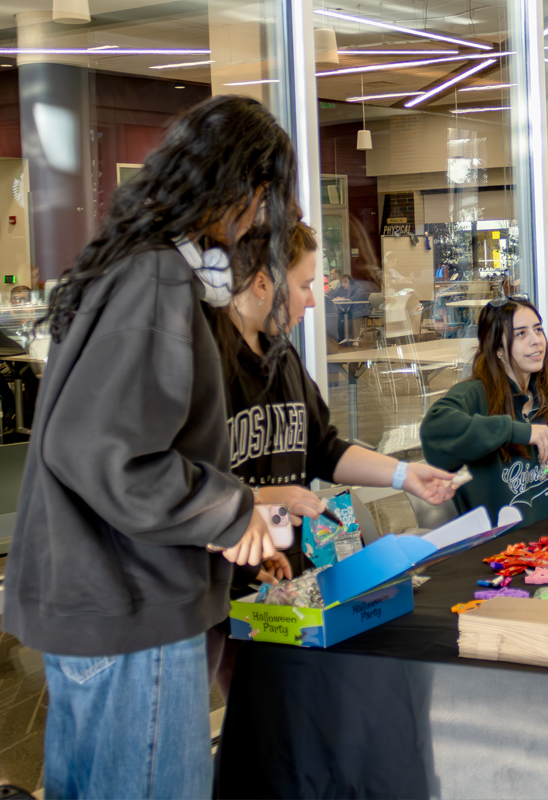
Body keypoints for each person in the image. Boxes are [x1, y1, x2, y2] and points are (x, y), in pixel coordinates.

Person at [1, 95, 297, 800]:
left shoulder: (133, 268)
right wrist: (229, 511)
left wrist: (229, 520)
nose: (257, 223)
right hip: (132, 606)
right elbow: (107, 453)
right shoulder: (156, 279)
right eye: (261, 203)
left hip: (103, 601)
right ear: (243, 190)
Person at [206, 221, 455, 695]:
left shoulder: (283, 358)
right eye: (303, 286)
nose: (313, 301)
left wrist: (404, 474)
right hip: (220, 588)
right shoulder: (207, 363)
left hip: (281, 574)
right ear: (263, 284)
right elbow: (186, 484)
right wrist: (264, 498)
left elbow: (324, 450)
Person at [420, 296, 548, 528]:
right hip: (502, 553)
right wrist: (520, 432)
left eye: (538, 329)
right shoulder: (473, 396)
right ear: (497, 348)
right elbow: (435, 430)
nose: (536, 341)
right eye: (521, 334)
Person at [328, 271, 371, 343]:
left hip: (362, 307)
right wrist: (332, 298)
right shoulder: (342, 288)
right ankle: (341, 338)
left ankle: (356, 339)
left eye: (345, 282)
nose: (343, 284)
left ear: (350, 282)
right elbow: (334, 294)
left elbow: (358, 297)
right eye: (342, 282)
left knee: (355, 314)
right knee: (339, 314)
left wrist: (344, 298)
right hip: (350, 308)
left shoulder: (357, 286)